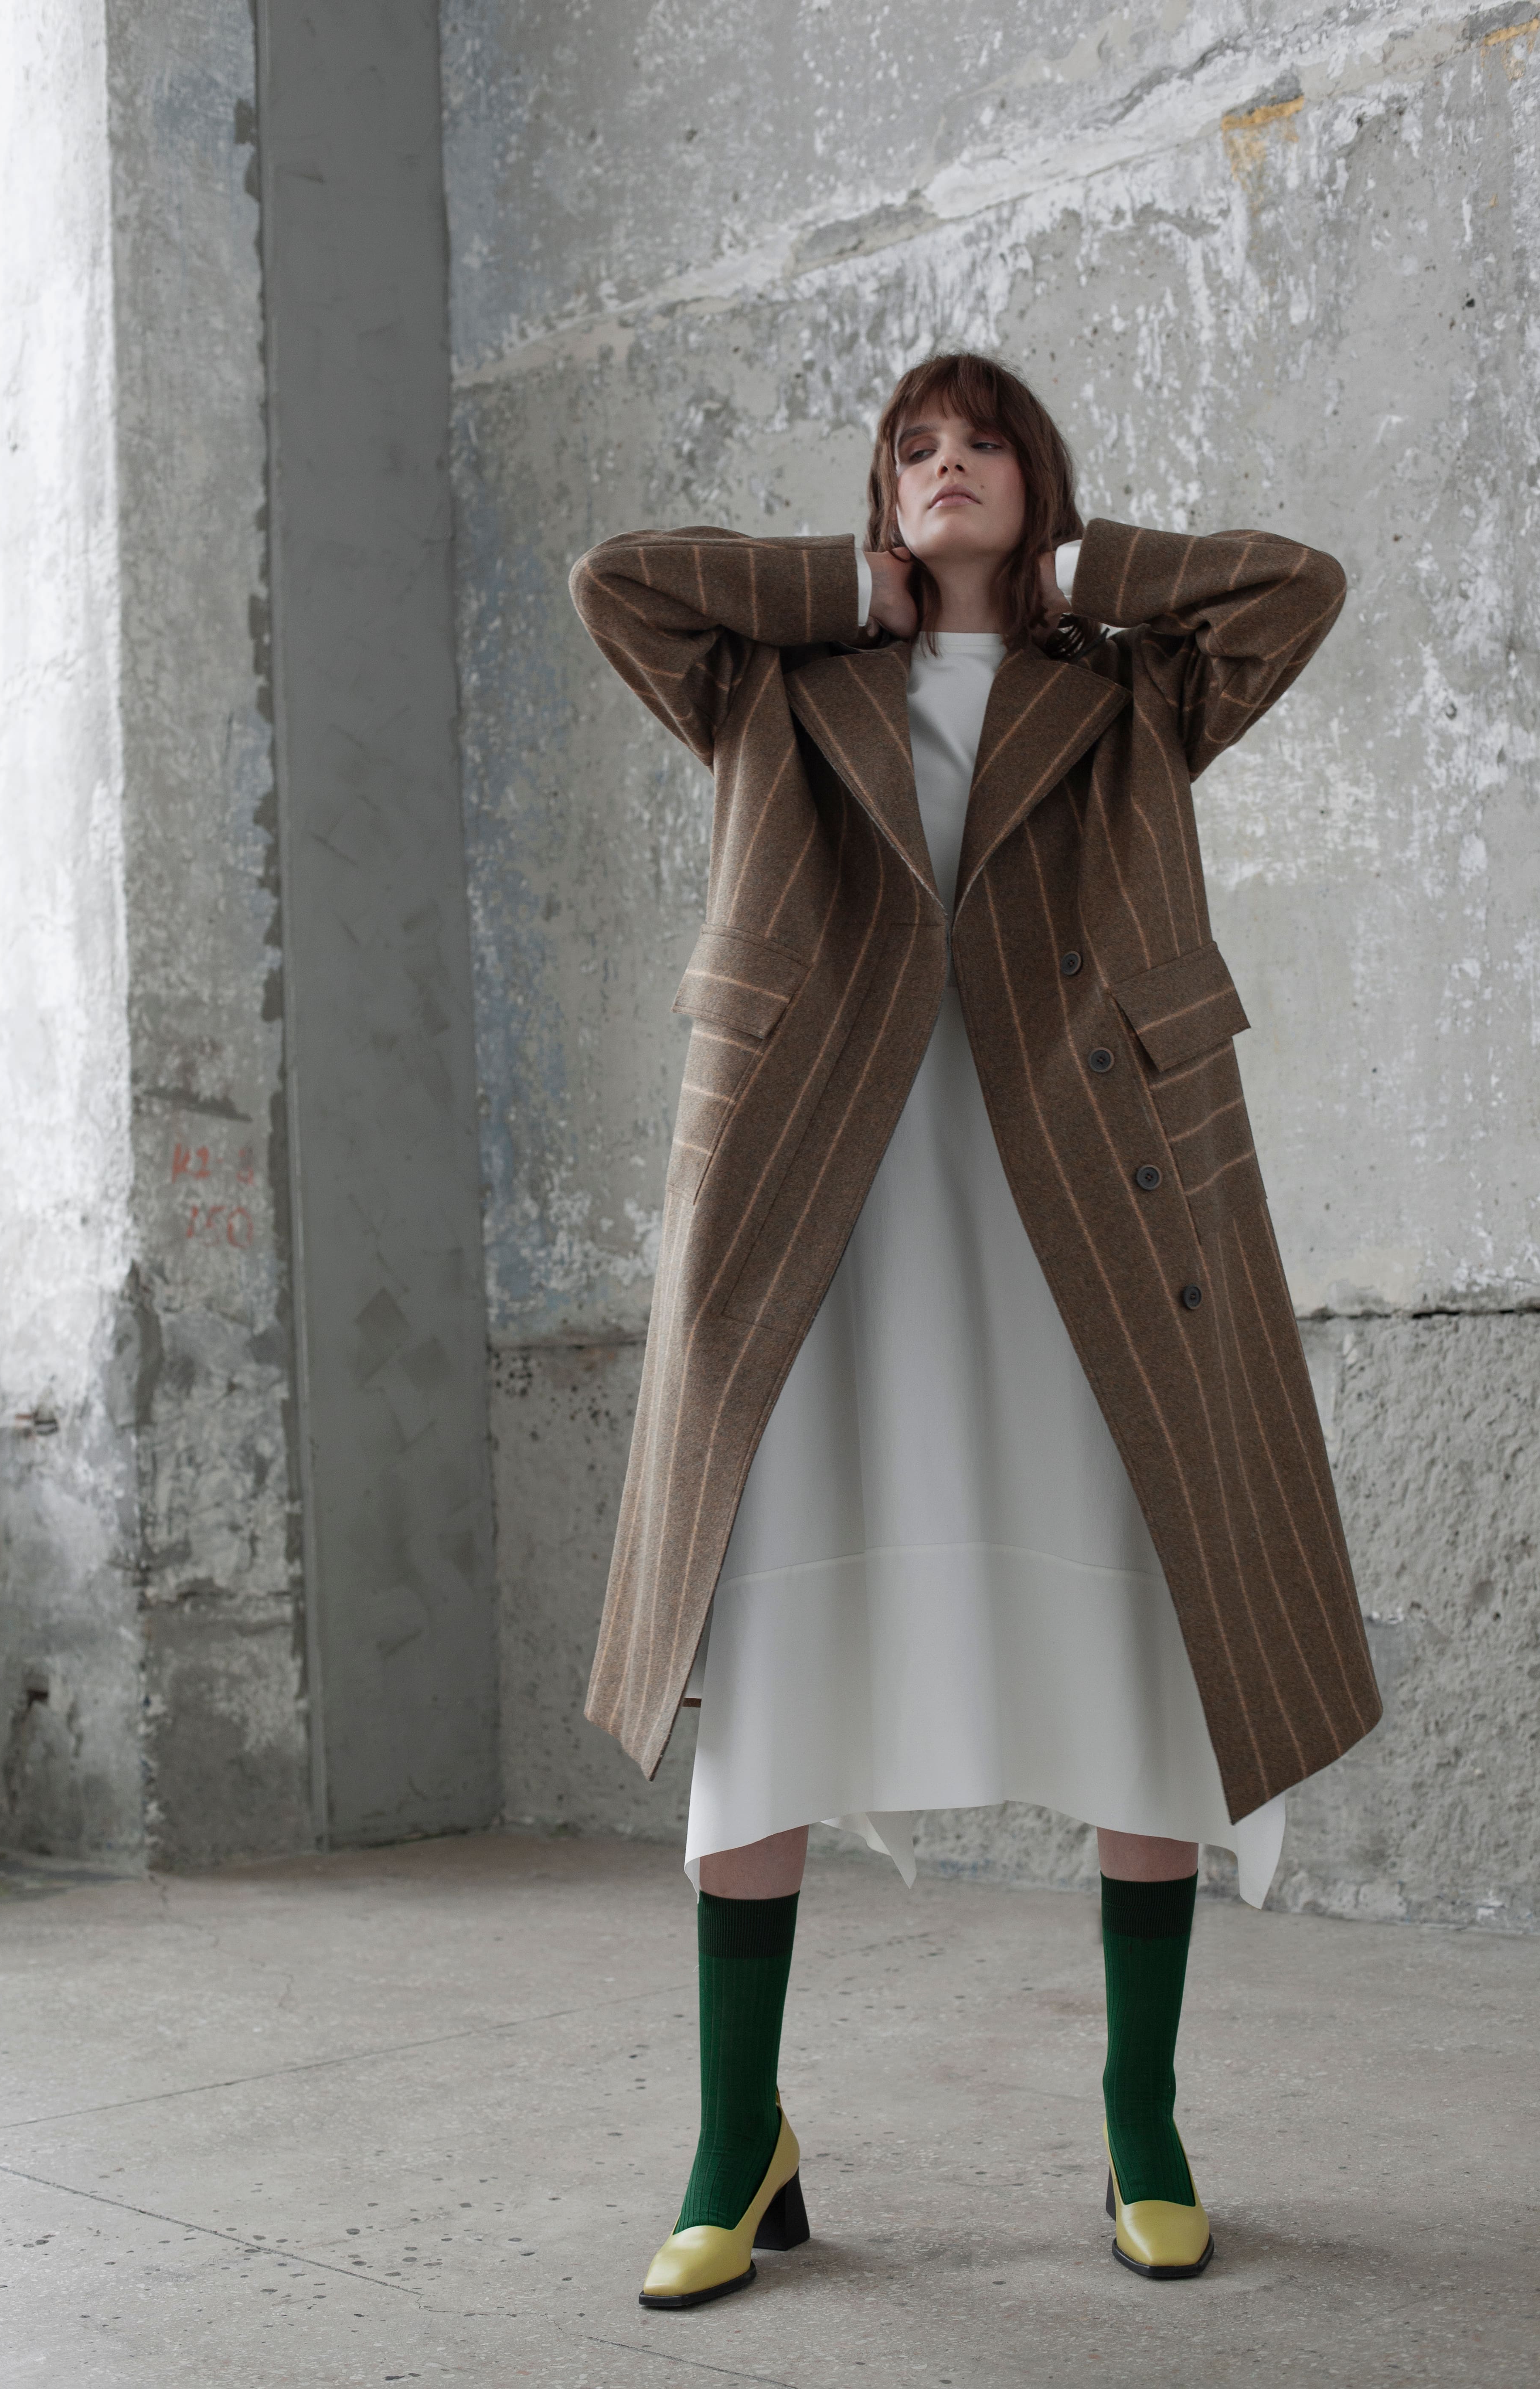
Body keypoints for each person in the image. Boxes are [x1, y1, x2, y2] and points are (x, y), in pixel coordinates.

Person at [568, 351, 1380, 2309]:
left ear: (1041, 479)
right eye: (914, 451)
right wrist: (851, 584)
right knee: (770, 1662)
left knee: (1140, 1647)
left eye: (984, 445)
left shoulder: (1133, 689)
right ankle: (735, 2141)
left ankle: (1142, 2121)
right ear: (878, 498)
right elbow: (620, 581)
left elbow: (1294, 588)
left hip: (1084, 1211)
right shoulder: (768, 683)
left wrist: (1073, 575)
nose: (948, 468)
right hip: (825, 1216)